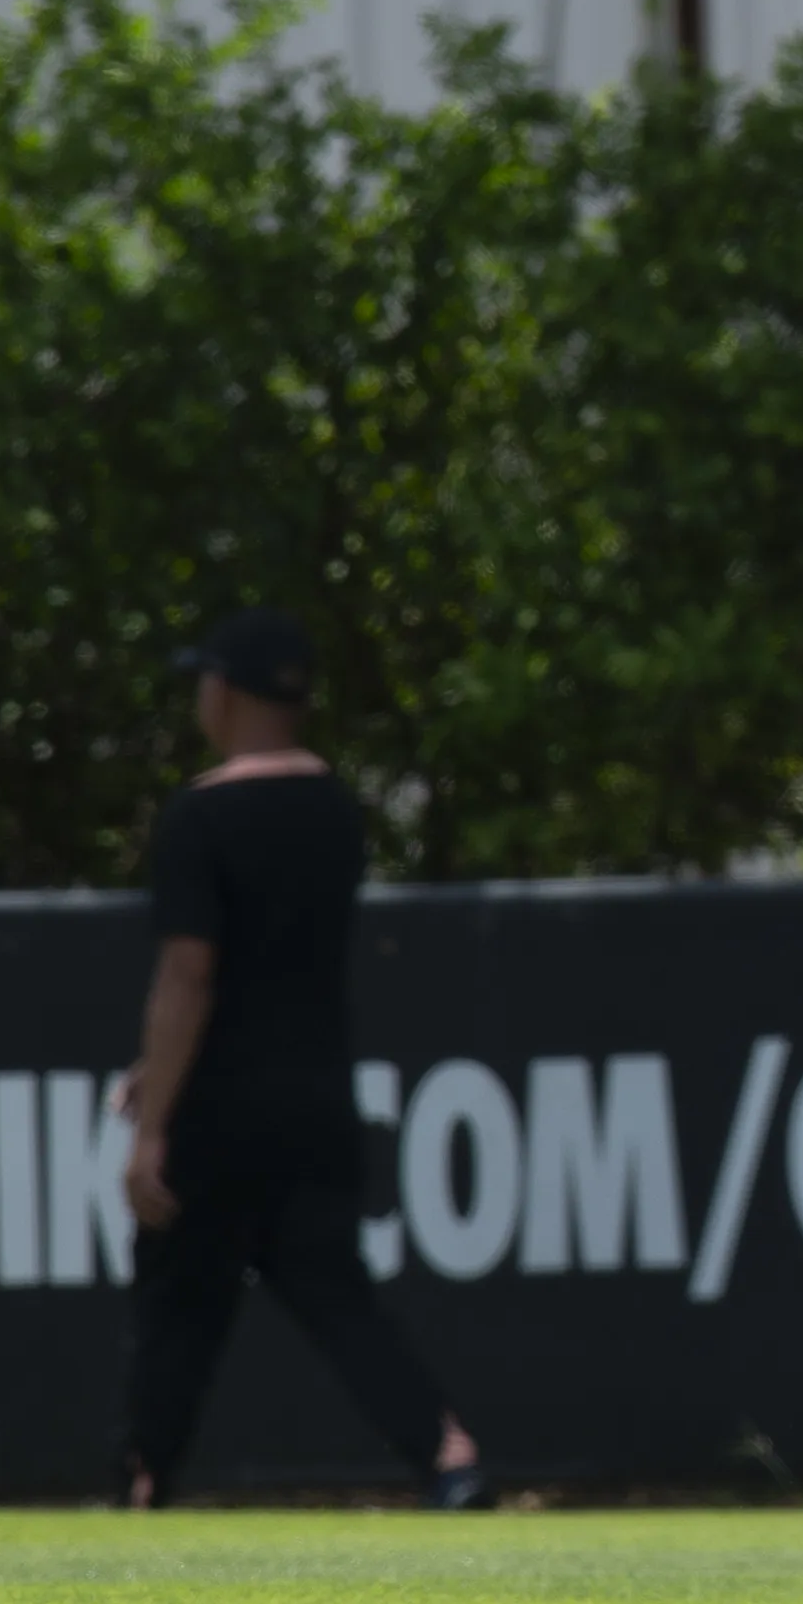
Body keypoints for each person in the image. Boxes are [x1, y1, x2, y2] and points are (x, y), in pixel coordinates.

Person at [115, 605, 488, 1510]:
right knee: (337, 1297)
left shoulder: (200, 817)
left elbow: (190, 976)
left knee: (180, 1302)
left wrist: (153, 1116)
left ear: (228, 693)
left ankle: (143, 1480)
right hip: (318, 1101)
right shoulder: (334, 809)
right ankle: (447, 1450)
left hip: (220, 1109)